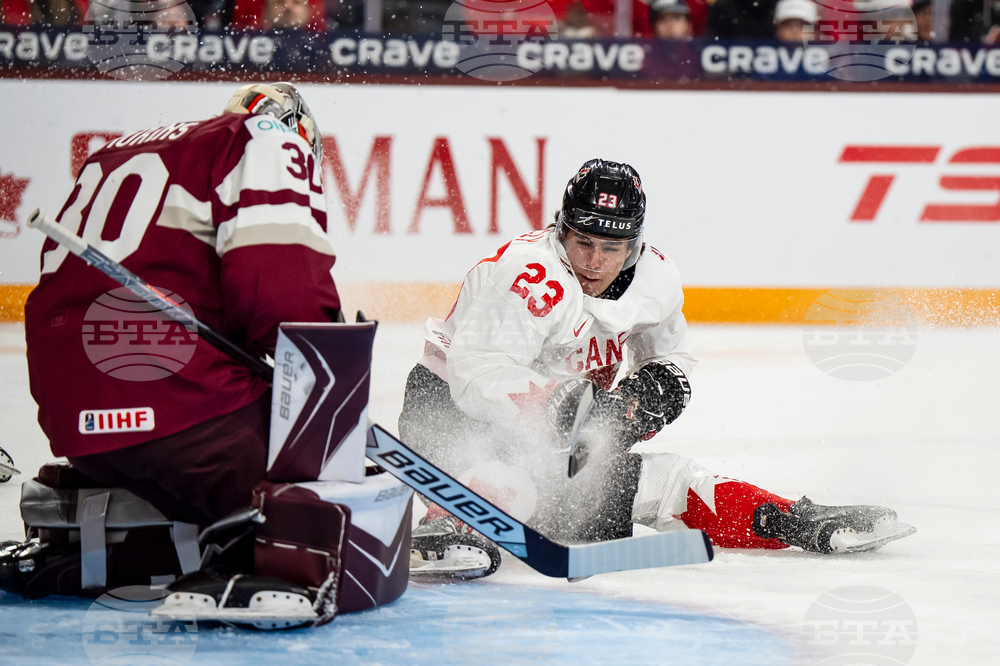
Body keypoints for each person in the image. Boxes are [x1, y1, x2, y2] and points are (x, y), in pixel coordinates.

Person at [400, 159, 914, 578]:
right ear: (562, 231)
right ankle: (452, 523)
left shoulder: (656, 278)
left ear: (635, 245)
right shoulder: (524, 277)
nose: (593, 263)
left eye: (611, 248)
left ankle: (795, 522)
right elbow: (476, 376)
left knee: (662, 482)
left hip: (562, 435)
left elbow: (673, 358)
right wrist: (561, 405)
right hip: (451, 413)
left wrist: (646, 396)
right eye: (582, 243)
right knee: (511, 476)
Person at [25, 83, 341, 527]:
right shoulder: (267, 138)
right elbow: (284, 296)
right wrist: (334, 379)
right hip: (189, 421)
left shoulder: (114, 153)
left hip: (80, 432)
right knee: (329, 515)